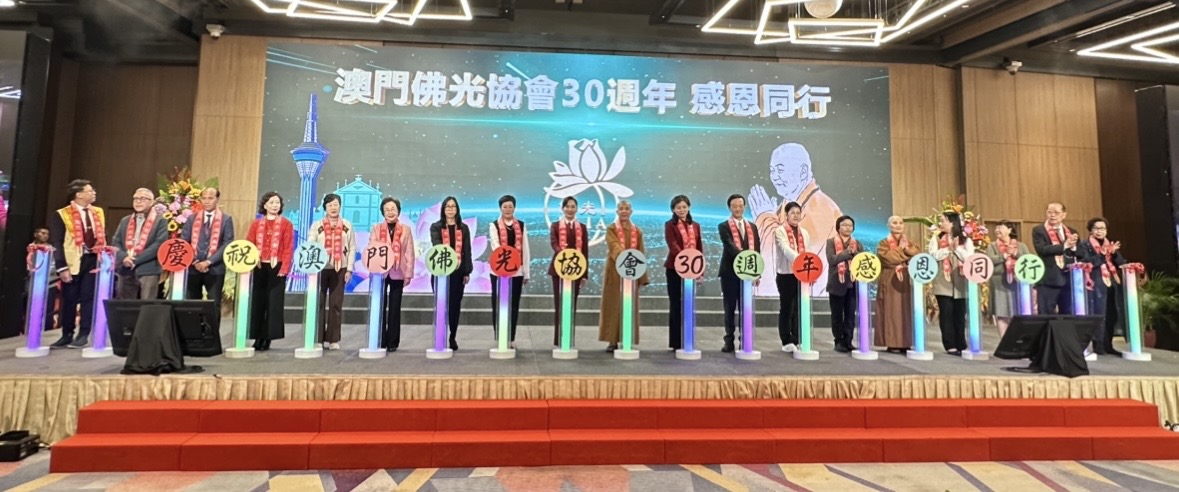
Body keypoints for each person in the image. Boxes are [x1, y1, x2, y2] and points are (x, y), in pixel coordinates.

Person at [749, 143, 842, 297]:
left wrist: (765, 218)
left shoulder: (819, 209)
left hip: (807, 297)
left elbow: (796, 256)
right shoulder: (791, 201)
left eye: (780, 170)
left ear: (803, 172)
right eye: (772, 171)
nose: (775, 177)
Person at [48, 179, 106, 349]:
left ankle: (84, 334)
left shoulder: (98, 212)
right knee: (69, 299)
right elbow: (57, 242)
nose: (94, 193)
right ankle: (67, 334)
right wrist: (62, 267)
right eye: (90, 191)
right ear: (79, 194)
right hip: (72, 261)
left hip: (92, 259)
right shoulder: (62, 214)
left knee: (88, 298)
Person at [308, 193, 356, 351]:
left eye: (336, 204)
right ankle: (318, 338)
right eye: (330, 205)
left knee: (336, 304)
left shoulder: (347, 225)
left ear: (340, 206)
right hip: (320, 269)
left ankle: (333, 339)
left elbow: (352, 247)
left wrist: (349, 269)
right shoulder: (317, 225)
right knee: (319, 303)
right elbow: (310, 244)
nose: (333, 208)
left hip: (340, 268)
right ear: (325, 208)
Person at [599, 200, 650, 351]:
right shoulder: (611, 229)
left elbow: (640, 253)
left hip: (632, 272)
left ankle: (628, 337)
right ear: (617, 211)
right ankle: (612, 340)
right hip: (615, 271)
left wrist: (642, 276)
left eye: (627, 209)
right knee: (613, 305)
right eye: (621, 209)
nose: (624, 211)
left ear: (631, 212)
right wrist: (625, 257)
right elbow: (613, 245)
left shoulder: (637, 231)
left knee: (630, 305)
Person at [247, 192, 294, 351]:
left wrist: (285, 268)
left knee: (273, 304)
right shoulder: (256, 224)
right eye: (271, 202)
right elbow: (249, 244)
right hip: (259, 266)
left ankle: (268, 338)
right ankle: (257, 337)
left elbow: (288, 248)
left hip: (277, 267)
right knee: (258, 302)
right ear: (265, 205)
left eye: (277, 203)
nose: (275, 205)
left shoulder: (286, 224)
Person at [718, 193, 761, 353]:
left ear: (744, 207)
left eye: (740, 206)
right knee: (729, 308)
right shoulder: (723, 226)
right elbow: (729, 246)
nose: (738, 209)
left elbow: (757, 250)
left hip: (748, 274)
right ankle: (729, 341)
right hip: (729, 273)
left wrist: (757, 272)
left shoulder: (752, 227)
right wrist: (744, 258)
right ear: (729, 207)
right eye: (734, 206)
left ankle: (745, 340)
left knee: (746, 308)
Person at [182, 187, 234, 316]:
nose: (206, 201)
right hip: (193, 268)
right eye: (204, 198)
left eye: (210, 198)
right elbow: (184, 242)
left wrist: (208, 262)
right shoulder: (191, 219)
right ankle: (193, 329)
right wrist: (195, 261)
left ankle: (212, 330)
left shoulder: (226, 219)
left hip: (215, 269)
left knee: (214, 304)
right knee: (192, 304)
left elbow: (227, 243)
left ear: (217, 199)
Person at [371, 197, 415, 352]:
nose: (390, 212)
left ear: (399, 211)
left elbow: (409, 252)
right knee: (380, 307)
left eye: (393, 209)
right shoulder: (376, 228)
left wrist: (408, 274)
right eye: (387, 209)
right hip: (380, 273)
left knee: (395, 308)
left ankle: (392, 342)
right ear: (382, 212)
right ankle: (380, 339)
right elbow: (371, 249)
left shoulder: (406, 229)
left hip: (398, 271)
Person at [1078, 217, 1126, 356]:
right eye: (1096, 228)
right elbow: (1087, 262)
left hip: (1111, 283)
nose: (1100, 231)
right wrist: (1102, 255)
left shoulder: (1109, 244)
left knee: (1111, 315)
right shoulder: (1085, 244)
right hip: (1095, 283)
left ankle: (1108, 345)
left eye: (1103, 228)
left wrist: (1113, 253)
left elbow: (1121, 263)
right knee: (1099, 314)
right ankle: (1098, 344)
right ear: (1091, 230)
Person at [430, 196, 472, 351]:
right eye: (447, 207)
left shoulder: (464, 228)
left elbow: (467, 250)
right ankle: (440, 335)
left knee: (455, 306)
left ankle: (452, 336)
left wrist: (467, 271)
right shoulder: (436, 227)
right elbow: (437, 245)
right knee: (441, 305)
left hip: (458, 273)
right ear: (443, 209)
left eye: (453, 206)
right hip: (440, 271)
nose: (450, 209)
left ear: (457, 209)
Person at [929, 211, 974, 356]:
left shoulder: (966, 240)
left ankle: (961, 343)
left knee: (960, 315)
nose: (941, 223)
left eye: (943, 221)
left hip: (961, 281)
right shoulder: (936, 238)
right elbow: (933, 255)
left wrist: (957, 249)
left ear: (952, 222)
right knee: (946, 314)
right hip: (943, 280)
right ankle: (950, 345)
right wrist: (947, 249)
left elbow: (970, 258)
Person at [874, 215, 920, 353]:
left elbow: (916, 254)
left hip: (906, 279)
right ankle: (892, 342)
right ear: (888, 226)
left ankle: (906, 342)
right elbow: (888, 259)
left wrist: (903, 252)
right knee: (891, 311)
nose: (898, 225)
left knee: (905, 311)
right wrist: (901, 249)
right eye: (894, 223)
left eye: (900, 222)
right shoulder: (883, 243)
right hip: (890, 279)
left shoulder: (910, 242)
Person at [489, 195, 529, 349]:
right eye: (505, 206)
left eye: (510, 206)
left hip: (517, 271)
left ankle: (510, 338)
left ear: (514, 208)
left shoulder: (522, 225)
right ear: (500, 208)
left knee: (513, 305)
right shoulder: (494, 225)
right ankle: (500, 337)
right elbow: (496, 246)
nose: (507, 209)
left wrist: (526, 272)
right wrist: (507, 260)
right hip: (499, 271)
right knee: (499, 304)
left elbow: (525, 249)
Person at [113, 188, 168, 300]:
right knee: (125, 306)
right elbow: (116, 242)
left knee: (147, 306)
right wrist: (124, 258)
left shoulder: (160, 221)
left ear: (152, 202)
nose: (138, 201)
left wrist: (135, 259)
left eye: (142, 199)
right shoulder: (125, 220)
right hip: (126, 269)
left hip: (148, 269)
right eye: (135, 199)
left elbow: (159, 245)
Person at [549, 196, 589, 348]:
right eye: (567, 206)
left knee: (572, 305)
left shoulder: (582, 227)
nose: (570, 209)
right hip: (559, 269)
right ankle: (559, 339)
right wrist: (564, 255)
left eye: (573, 207)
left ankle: (569, 339)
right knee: (560, 304)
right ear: (562, 208)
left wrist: (584, 274)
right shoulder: (555, 226)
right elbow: (554, 243)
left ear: (577, 209)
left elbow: (584, 251)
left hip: (576, 270)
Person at [664, 195, 702, 351]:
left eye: (684, 207)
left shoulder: (696, 225)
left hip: (692, 271)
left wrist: (699, 271)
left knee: (688, 305)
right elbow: (672, 245)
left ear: (689, 207)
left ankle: (688, 339)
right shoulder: (670, 225)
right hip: (674, 269)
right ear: (673, 209)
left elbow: (699, 248)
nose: (681, 210)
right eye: (678, 207)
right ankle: (676, 342)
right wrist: (684, 260)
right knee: (676, 305)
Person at [773, 201, 809, 353]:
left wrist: (807, 267)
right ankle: (786, 340)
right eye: (792, 213)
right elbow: (785, 248)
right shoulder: (780, 231)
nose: (795, 215)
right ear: (786, 215)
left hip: (801, 275)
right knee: (787, 308)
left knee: (799, 308)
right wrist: (800, 261)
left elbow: (808, 252)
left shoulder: (804, 233)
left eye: (798, 213)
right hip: (786, 274)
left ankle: (797, 338)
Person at [1032, 202, 1079, 315]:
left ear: (1064, 215)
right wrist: (1065, 246)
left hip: (1068, 279)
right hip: (1048, 279)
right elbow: (1042, 249)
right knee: (1046, 314)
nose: (1052, 215)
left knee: (1068, 314)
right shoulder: (1039, 230)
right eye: (1050, 212)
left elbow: (1079, 254)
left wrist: (1073, 247)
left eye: (1056, 213)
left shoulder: (1072, 232)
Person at [986, 221, 1028, 338]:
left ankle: (1017, 341)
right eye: (996, 228)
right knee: (1001, 314)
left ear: (1009, 230)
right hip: (999, 282)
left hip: (1017, 283)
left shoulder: (1021, 245)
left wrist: (1015, 253)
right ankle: (1004, 342)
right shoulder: (992, 246)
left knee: (1018, 313)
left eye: (1000, 227)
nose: (997, 230)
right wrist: (1003, 256)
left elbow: (1028, 259)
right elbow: (988, 260)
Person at [826, 215, 861, 353]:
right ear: (838, 227)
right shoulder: (830, 242)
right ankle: (838, 341)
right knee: (837, 314)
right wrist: (847, 253)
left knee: (850, 314)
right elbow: (832, 260)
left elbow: (862, 260)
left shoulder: (857, 243)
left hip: (852, 283)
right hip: (836, 283)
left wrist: (855, 252)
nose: (848, 228)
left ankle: (848, 340)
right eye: (844, 225)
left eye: (850, 225)